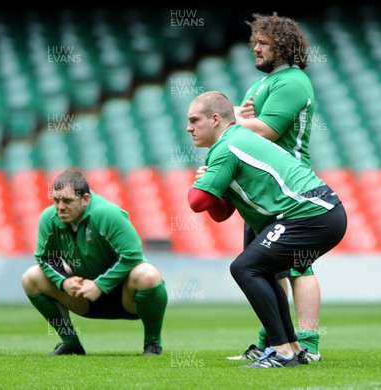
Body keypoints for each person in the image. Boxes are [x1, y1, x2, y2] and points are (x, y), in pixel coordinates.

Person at [186, 91, 347, 368]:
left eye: (194, 120)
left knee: (244, 268)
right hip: (323, 211)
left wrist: (203, 184)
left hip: (309, 213)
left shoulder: (227, 146)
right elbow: (221, 212)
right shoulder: (238, 140)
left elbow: (196, 201)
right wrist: (213, 190)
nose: (189, 128)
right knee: (261, 269)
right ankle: (293, 348)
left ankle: (280, 351)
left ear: (215, 119)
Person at [230, 11, 324, 362]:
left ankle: (309, 344)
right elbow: (246, 125)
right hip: (264, 189)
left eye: (263, 43)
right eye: (255, 41)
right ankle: (274, 340)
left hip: (291, 188)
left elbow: (266, 131)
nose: (255, 48)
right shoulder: (261, 83)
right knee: (265, 269)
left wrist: (237, 119)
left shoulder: (292, 81)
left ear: (283, 47)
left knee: (300, 266)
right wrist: (242, 118)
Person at [21, 169, 168, 356]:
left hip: (128, 297)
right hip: (85, 297)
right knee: (31, 277)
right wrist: (64, 281)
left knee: (148, 275)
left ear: (86, 199)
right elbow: (45, 258)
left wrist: (100, 285)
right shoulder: (49, 219)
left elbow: (132, 255)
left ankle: (153, 344)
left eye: (67, 200)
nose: (60, 207)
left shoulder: (107, 214)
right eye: (56, 200)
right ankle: (71, 344)